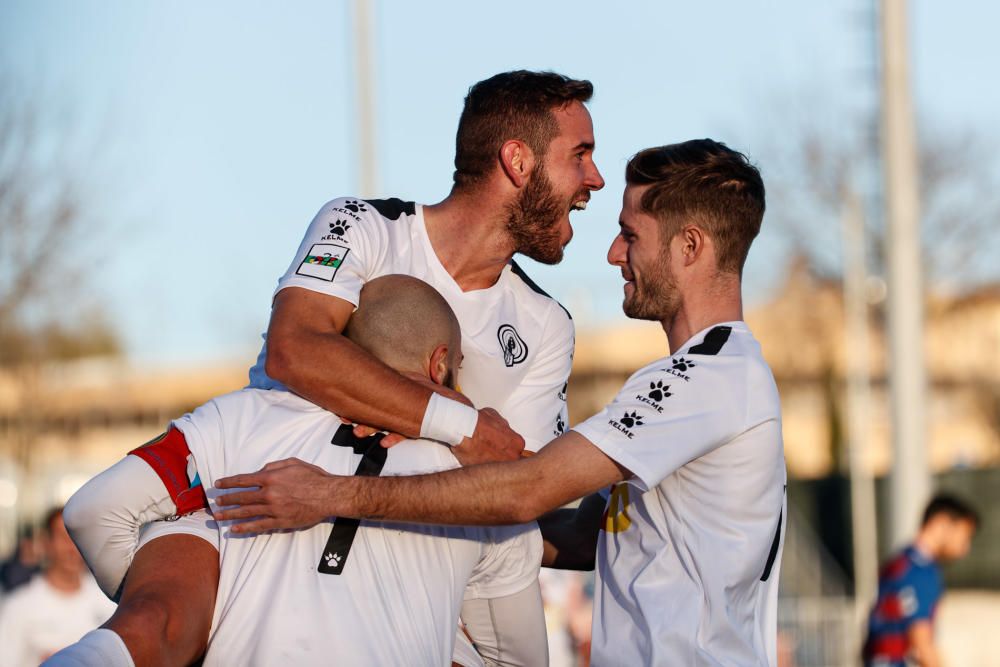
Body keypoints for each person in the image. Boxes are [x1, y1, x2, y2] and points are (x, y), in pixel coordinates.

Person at [60, 69, 604, 665]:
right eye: (580, 156)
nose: (594, 179)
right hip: (253, 509)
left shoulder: (546, 325)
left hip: (405, 564)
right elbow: (295, 349)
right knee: (152, 624)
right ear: (517, 160)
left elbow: (514, 493)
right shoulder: (362, 225)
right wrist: (461, 424)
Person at [214, 139, 788, 666]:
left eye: (631, 233)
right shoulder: (704, 376)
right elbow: (584, 536)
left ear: (690, 245)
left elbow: (526, 491)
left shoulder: (707, 378)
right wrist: (435, 534)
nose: (614, 253)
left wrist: (335, 494)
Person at [51, 275, 548, 667]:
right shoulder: (490, 488)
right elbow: (520, 660)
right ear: (440, 365)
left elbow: (93, 511)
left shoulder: (241, 418)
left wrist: (186, 606)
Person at [863, 494, 979, 667]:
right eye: (965, 535)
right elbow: (922, 644)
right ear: (941, 523)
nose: (965, 547)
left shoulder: (898, 563)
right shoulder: (922, 572)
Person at [0, 509, 116, 666]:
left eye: (78, 537)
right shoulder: (19, 607)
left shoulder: (110, 603)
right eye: (64, 537)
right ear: (46, 542)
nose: (72, 548)